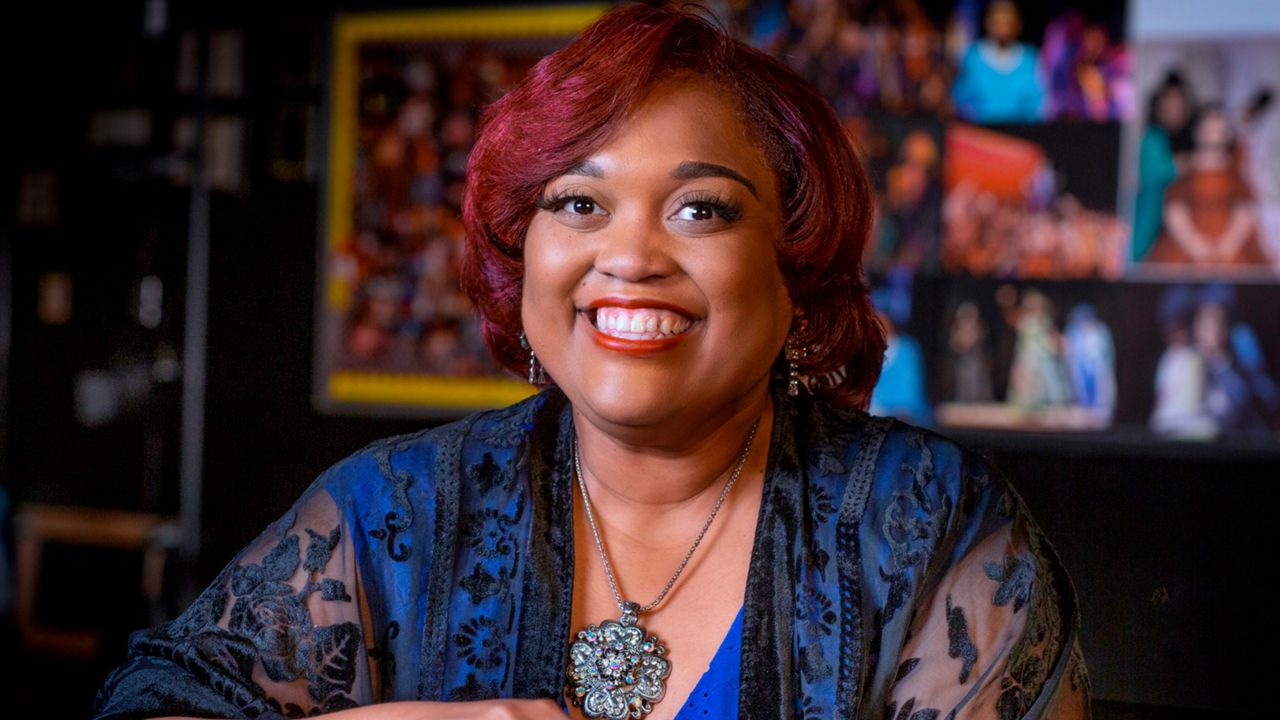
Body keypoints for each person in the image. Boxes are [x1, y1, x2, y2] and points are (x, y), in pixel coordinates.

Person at [93, 5, 1089, 719]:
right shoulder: (393, 508)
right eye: (578, 202)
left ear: (794, 273)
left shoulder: (928, 526)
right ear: (522, 255)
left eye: (700, 209)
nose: (629, 255)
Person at [951, 0, 1048, 124]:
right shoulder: (973, 57)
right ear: (987, 23)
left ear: (1018, 25)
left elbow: (1040, 103)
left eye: (1008, 22)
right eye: (997, 22)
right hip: (981, 132)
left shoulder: (1030, 58)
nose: (1003, 29)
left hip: (1022, 132)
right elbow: (961, 99)